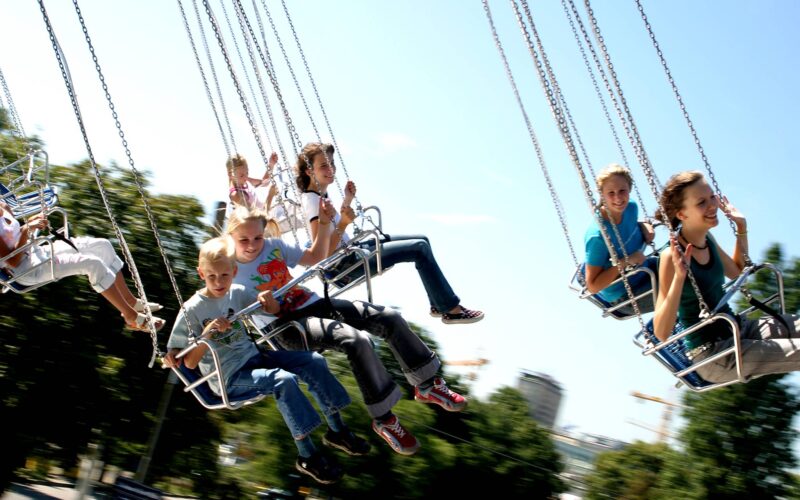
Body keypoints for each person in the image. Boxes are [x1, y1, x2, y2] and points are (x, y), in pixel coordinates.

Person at [226, 205, 468, 456]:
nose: (252, 245)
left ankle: (427, 384)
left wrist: (323, 223)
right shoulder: (229, 270)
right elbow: (227, 305)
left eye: (257, 237)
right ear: (231, 236)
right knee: (356, 340)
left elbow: (315, 257)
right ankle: (384, 419)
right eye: (244, 239)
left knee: (388, 317)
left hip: (312, 303)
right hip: (287, 327)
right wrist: (268, 307)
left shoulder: (274, 246)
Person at [163, 236, 370, 484]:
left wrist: (268, 302)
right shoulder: (192, 309)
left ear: (234, 272)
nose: (219, 282)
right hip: (231, 376)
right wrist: (207, 334)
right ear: (201, 274)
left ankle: (337, 430)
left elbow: (270, 310)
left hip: (256, 357)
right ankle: (308, 456)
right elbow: (187, 363)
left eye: (225, 276)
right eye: (212, 277)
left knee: (313, 361)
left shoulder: (237, 293)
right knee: (283, 381)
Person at [294, 142, 483, 325]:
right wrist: (344, 222)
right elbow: (324, 254)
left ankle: (438, 302)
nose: (331, 169)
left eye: (332, 164)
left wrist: (347, 200)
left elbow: (335, 224)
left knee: (422, 240)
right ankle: (451, 310)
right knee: (419, 248)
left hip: (351, 250)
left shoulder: (320, 195)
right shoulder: (312, 203)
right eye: (324, 166)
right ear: (309, 171)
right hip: (346, 267)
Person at [653, 171, 800, 383]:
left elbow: (736, 271)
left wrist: (741, 228)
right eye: (701, 202)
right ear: (682, 214)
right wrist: (679, 278)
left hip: (737, 328)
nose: (712, 205)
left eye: (712, 197)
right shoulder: (670, 256)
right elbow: (661, 332)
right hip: (714, 355)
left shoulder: (707, 239)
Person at [0, 202, 165, 332]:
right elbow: (12, 261)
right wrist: (26, 228)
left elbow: (16, 235)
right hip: (27, 268)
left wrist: (32, 223)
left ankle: (130, 301)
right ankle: (131, 316)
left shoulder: (3, 206)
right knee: (92, 264)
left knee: (103, 246)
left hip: (36, 250)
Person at [583, 164, 658, 315]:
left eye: (622, 191)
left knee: (686, 257)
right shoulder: (598, 236)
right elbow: (592, 286)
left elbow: (630, 225)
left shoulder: (631, 207)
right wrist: (626, 261)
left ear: (629, 189)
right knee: (682, 286)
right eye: (611, 193)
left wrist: (644, 226)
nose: (618, 198)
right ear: (602, 195)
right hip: (625, 295)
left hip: (644, 270)